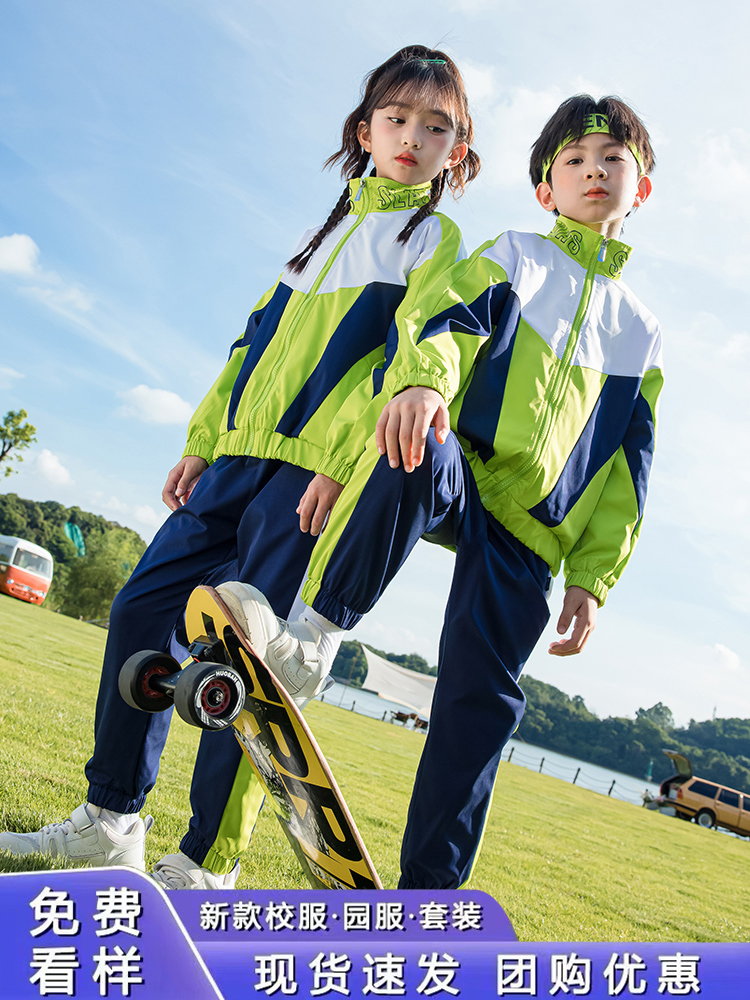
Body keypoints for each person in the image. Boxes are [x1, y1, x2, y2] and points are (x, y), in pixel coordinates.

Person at [0, 46, 480, 888]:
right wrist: (201, 438)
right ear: (363, 130)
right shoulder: (319, 232)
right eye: (397, 118)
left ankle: (205, 862)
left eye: (435, 127)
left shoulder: (435, 239)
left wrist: (340, 467)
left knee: (242, 669)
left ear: (457, 152)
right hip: (235, 462)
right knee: (141, 609)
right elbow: (249, 344)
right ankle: (112, 819)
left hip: (309, 480)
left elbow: (425, 351)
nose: (412, 137)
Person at [234, 94, 663, 889]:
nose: (593, 171)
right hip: (458, 467)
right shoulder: (515, 257)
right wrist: (427, 384)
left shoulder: (640, 330)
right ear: (546, 190)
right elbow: (449, 320)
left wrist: (593, 580)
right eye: (572, 161)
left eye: (612, 160)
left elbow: (628, 470)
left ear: (641, 189)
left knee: (481, 704)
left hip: (535, 528)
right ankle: (314, 638)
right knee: (414, 437)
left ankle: (429, 900)